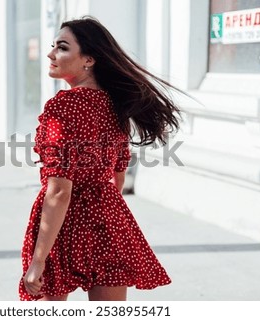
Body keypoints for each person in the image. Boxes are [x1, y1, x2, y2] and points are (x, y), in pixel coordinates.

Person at [19, 16, 181, 301]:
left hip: (63, 225)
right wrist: (100, 209)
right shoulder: (113, 104)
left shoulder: (64, 105)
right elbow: (118, 176)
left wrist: (38, 261)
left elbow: (59, 191)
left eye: (62, 47)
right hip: (107, 218)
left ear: (88, 60)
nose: (51, 53)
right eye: (53, 46)